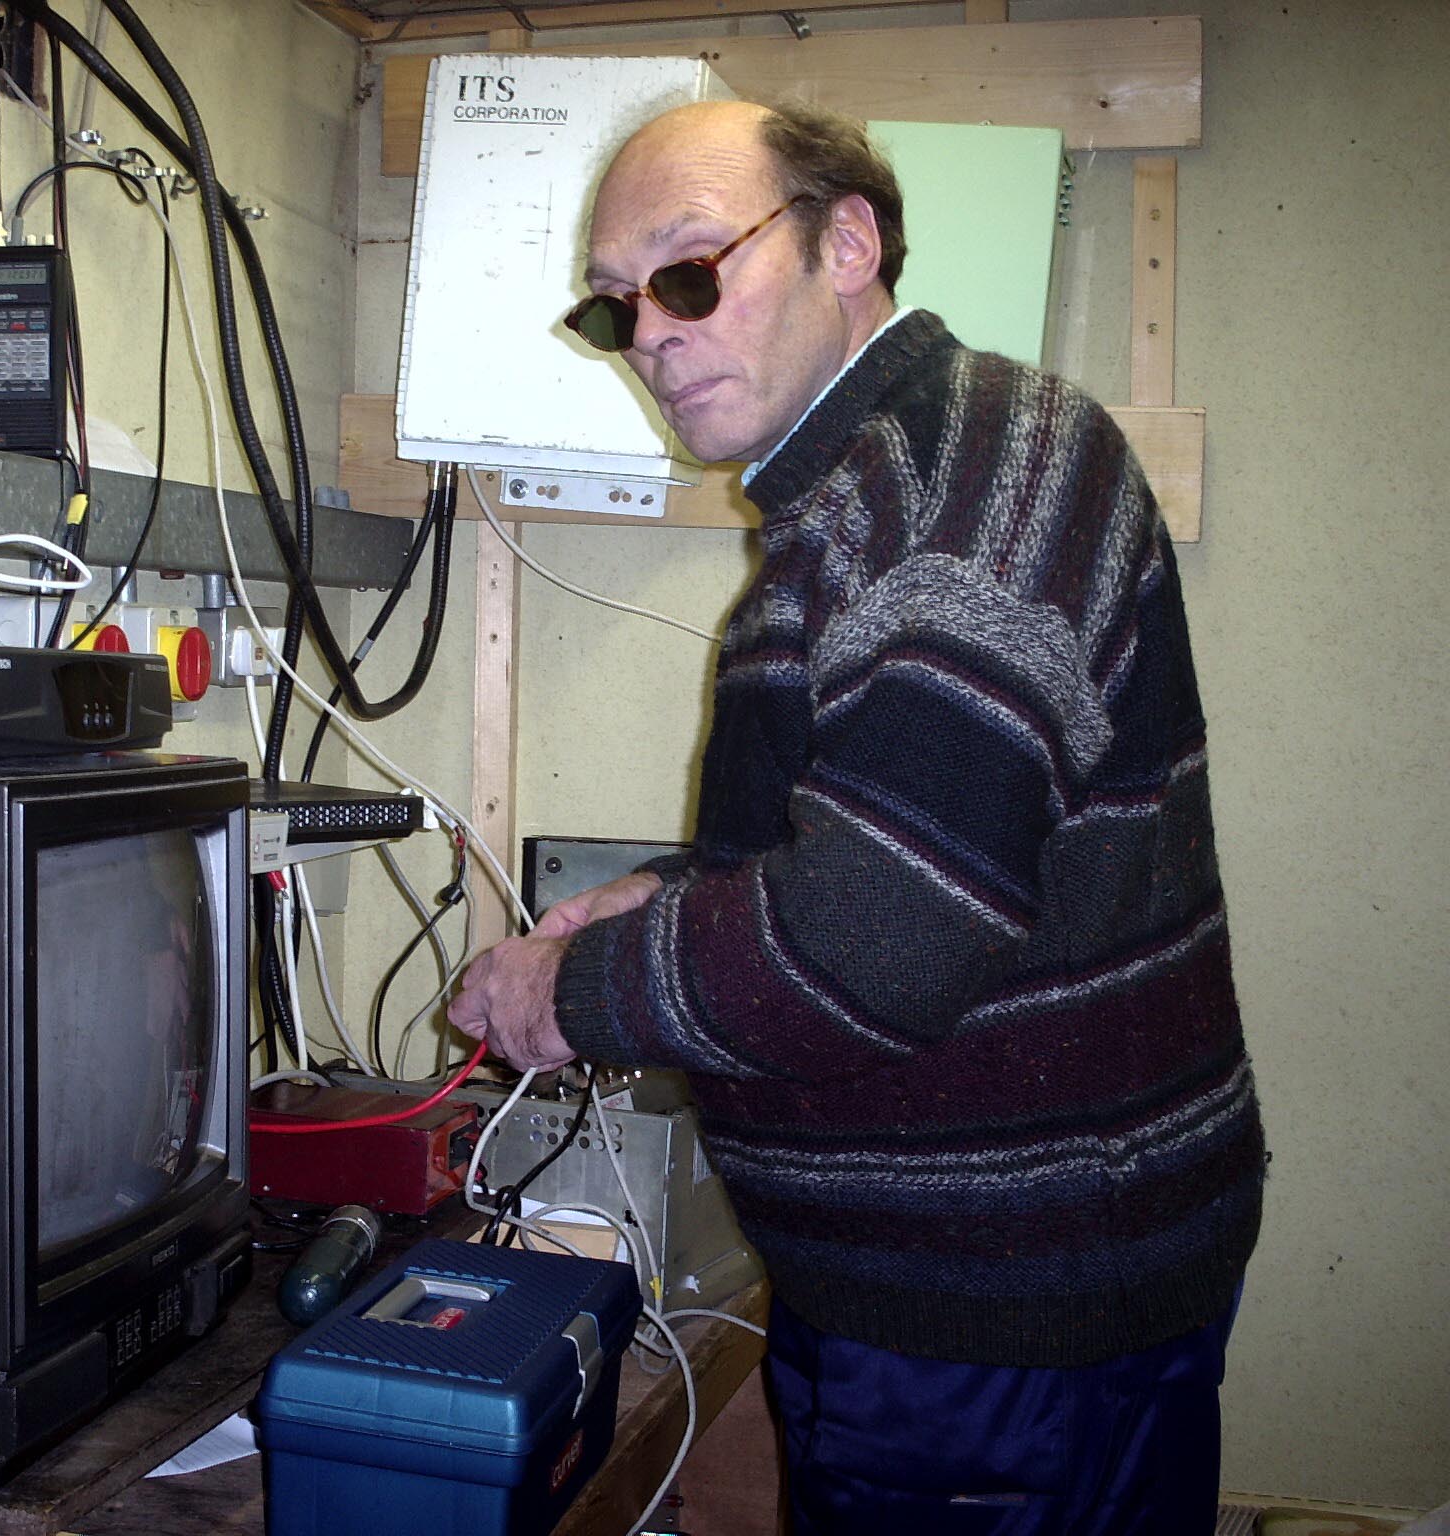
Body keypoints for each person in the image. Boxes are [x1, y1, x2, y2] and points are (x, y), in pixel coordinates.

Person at [447, 98, 1264, 1534]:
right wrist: (661, 897)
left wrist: (563, 991)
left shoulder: (971, 480)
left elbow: (876, 938)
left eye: (690, 274)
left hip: (1013, 1326)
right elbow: (856, 844)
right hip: (938, 1305)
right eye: (613, 305)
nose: (648, 334)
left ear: (848, 243)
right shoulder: (854, 498)